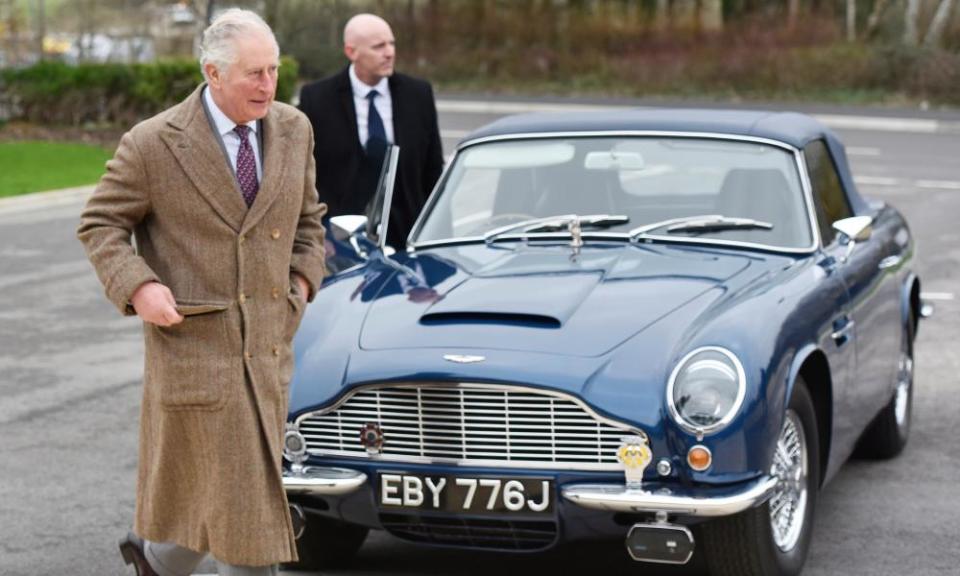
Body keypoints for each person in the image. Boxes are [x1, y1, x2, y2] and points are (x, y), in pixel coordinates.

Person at [76, 9, 326, 576]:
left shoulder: (294, 128)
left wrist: (303, 282)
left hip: (268, 350)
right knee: (248, 526)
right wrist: (138, 287)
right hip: (196, 351)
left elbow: (310, 219)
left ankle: (155, 559)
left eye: (274, 70)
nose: (268, 86)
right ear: (213, 75)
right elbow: (100, 224)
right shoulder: (152, 144)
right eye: (253, 74)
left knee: (225, 501)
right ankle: (158, 556)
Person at [298, 13, 444, 249]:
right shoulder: (317, 98)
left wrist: (433, 236)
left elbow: (433, 172)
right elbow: (306, 177)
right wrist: (317, 236)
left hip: (407, 237)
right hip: (337, 243)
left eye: (391, 43)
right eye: (378, 46)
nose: (389, 52)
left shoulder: (418, 95)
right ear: (351, 52)